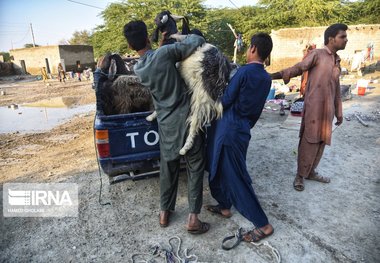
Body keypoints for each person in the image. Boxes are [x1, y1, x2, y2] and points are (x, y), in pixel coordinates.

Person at [123, 20, 210, 234]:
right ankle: (193, 219)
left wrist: (161, 46)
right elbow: (198, 41)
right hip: (188, 121)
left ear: (131, 46)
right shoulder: (164, 54)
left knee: (168, 167)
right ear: (147, 37)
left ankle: (164, 213)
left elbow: (154, 61)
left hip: (166, 123)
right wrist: (178, 37)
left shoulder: (139, 68)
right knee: (195, 166)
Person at [206, 33, 274, 242]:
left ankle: (263, 224)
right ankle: (225, 205)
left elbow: (225, 101)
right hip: (242, 129)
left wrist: (207, 99)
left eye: (247, 48)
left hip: (228, 129)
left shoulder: (243, 72)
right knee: (218, 167)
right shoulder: (266, 78)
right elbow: (256, 112)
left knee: (236, 177)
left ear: (253, 48)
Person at [271, 23, 347, 191]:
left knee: (321, 141)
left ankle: (311, 172)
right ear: (331, 39)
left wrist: (339, 113)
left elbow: (336, 90)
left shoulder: (336, 61)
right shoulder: (317, 54)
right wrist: (275, 75)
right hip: (314, 109)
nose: (346, 40)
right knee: (309, 141)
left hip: (328, 112)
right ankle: (300, 175)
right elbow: (299, 67)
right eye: (343, 37)